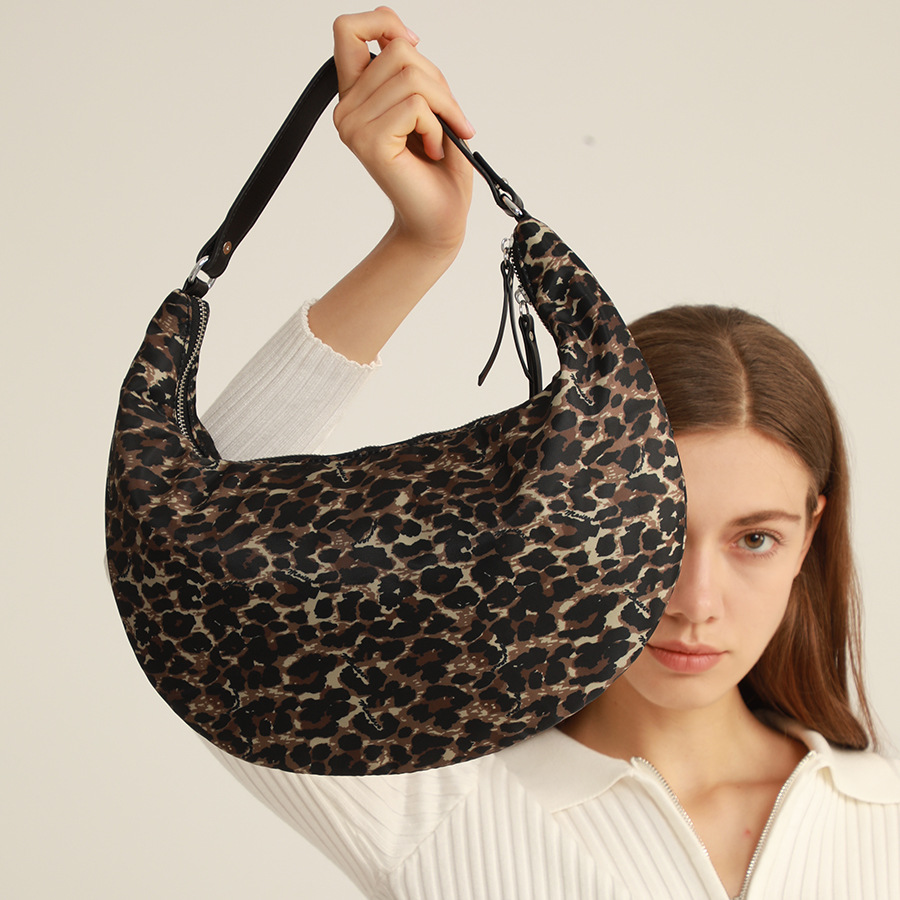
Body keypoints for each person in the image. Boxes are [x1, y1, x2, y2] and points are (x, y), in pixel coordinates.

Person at [199, 8, 900, 898]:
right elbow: (198, 548)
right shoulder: (433, 807)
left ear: (811, 535)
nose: (693, 602)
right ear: (574, 516)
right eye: (652, 530)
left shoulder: (884, 822)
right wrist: (420, 246)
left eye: (754, 539)